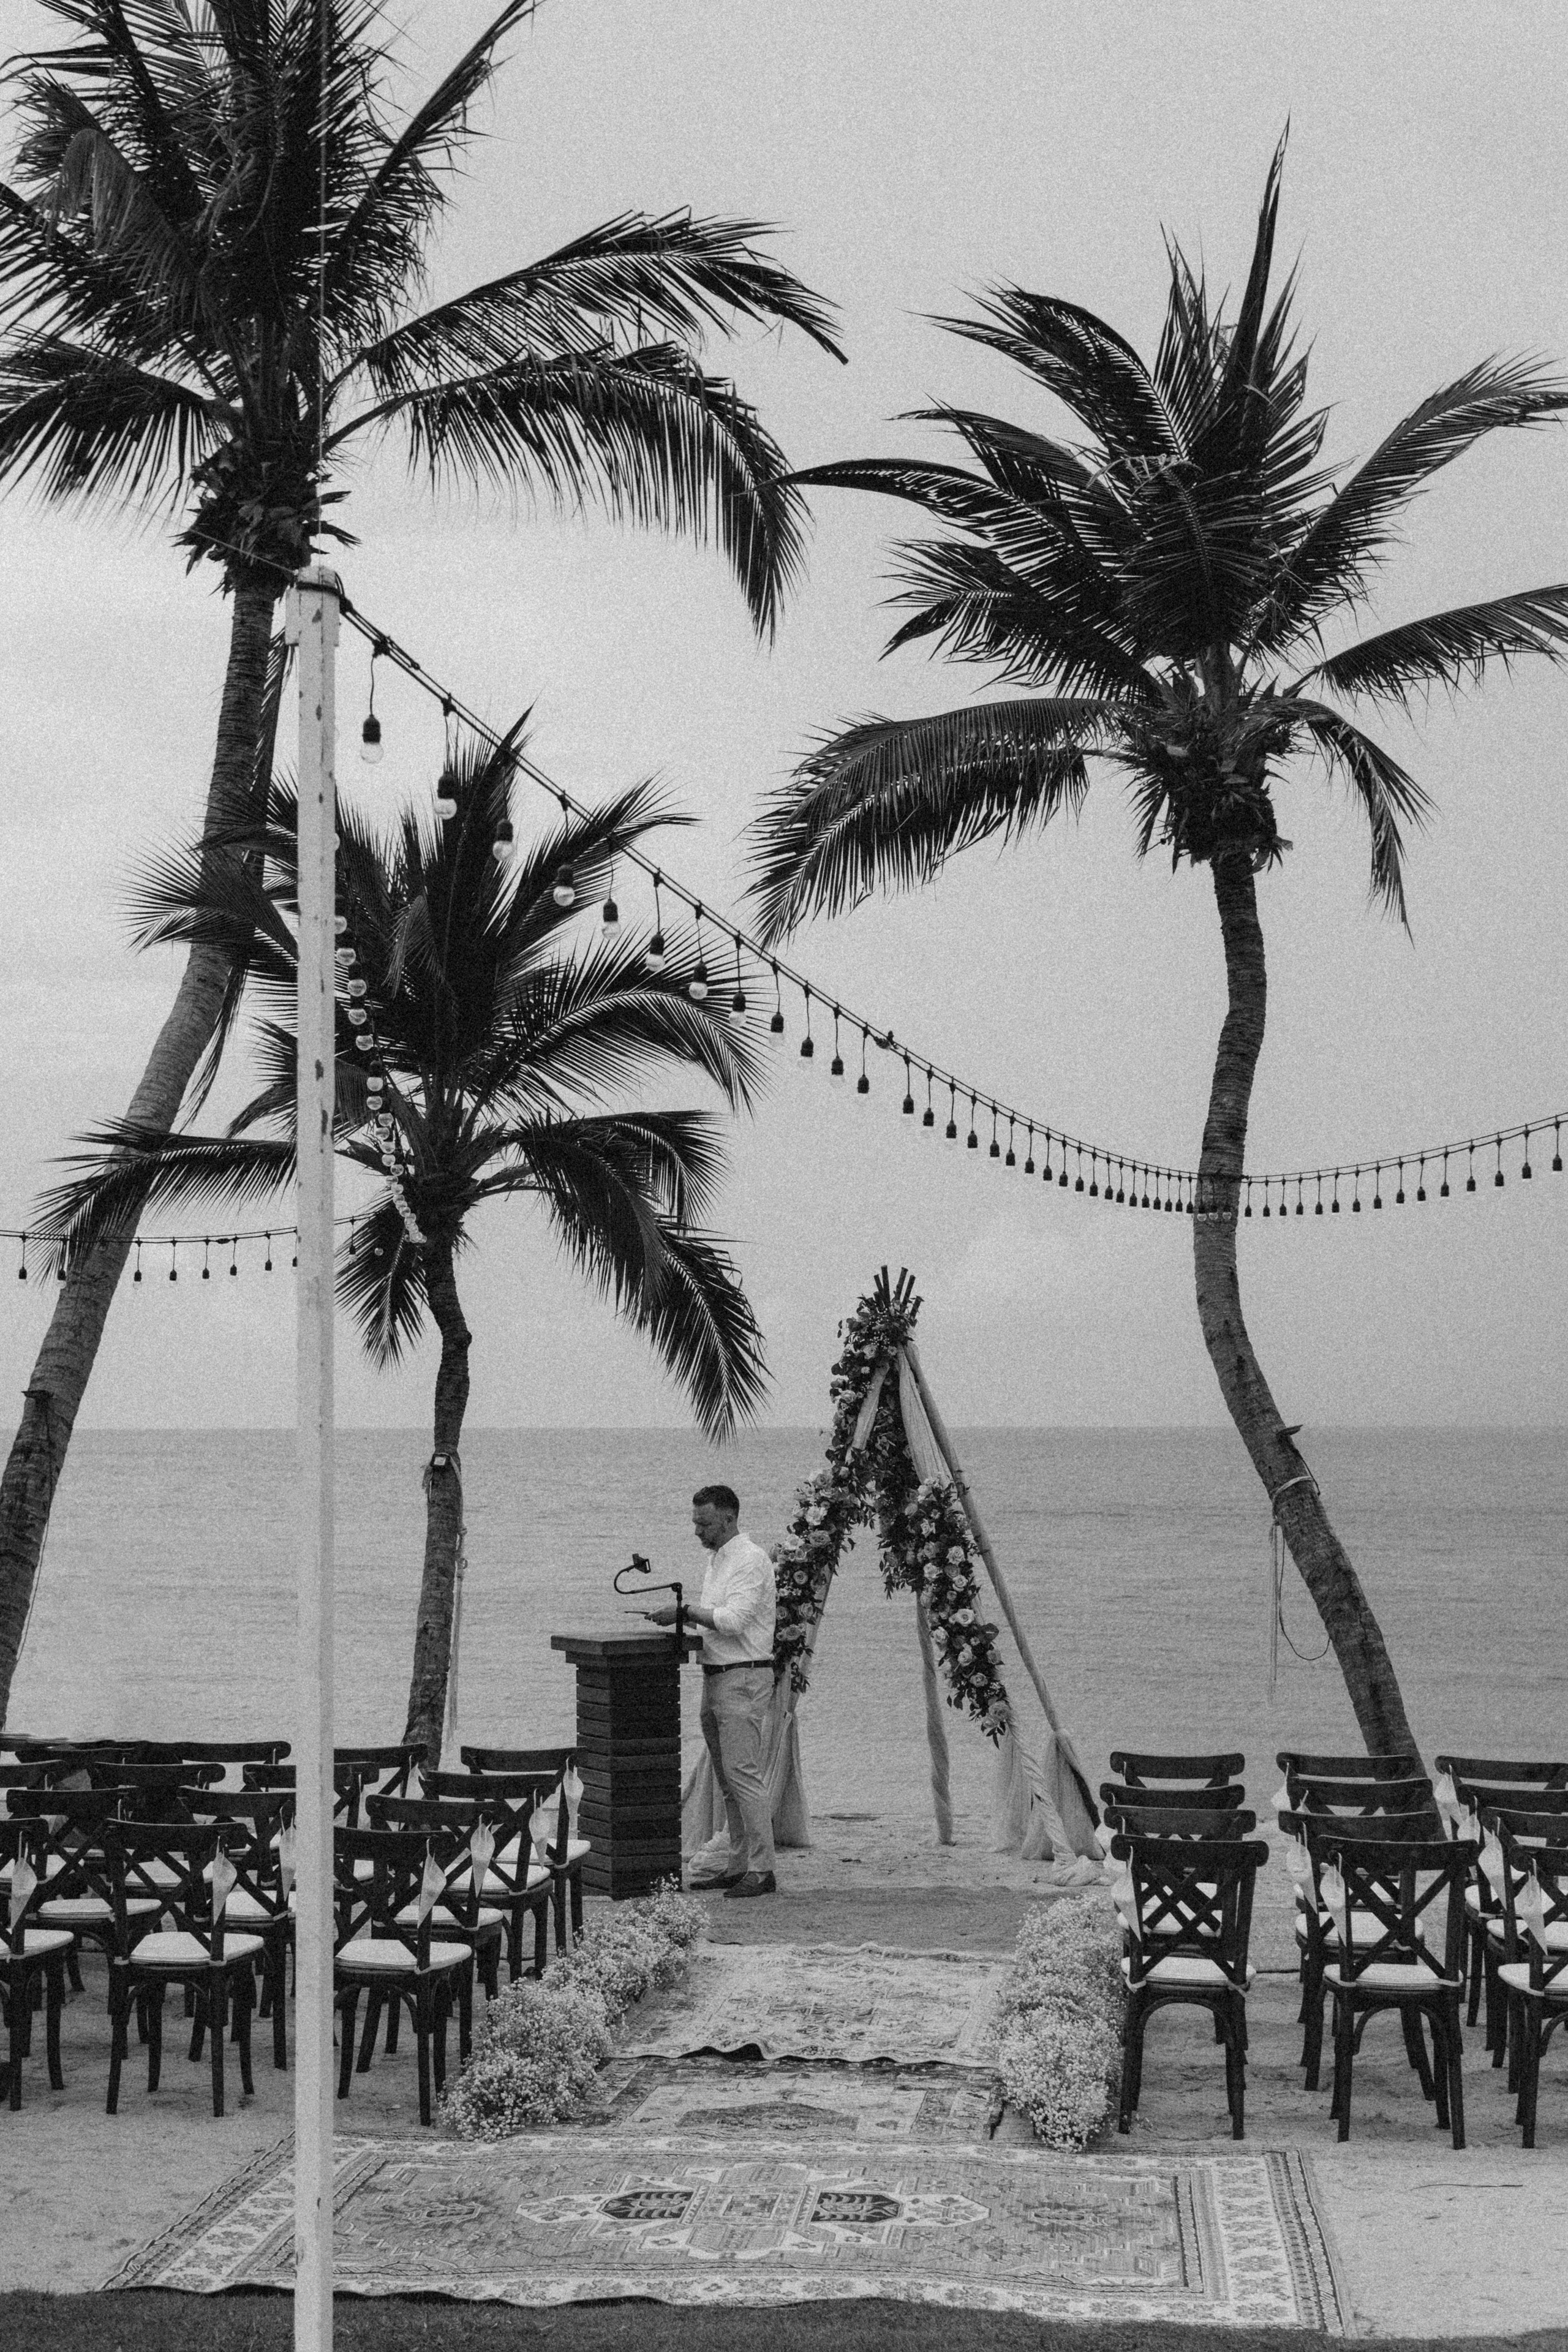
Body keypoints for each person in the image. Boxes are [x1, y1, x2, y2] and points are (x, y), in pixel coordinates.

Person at [647, 1483, 777, 1898]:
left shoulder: (750, 1560)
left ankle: (763, 1868)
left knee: (744, 1776)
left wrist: (685, 1612)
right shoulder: (718, 1561)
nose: (697, 1531)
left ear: (728, 1517)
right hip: (717, 1674)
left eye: (703, 1523)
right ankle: (739, 1864)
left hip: (743, 1676)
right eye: (695, 1523)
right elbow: (716, 1620)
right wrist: (688, 1623)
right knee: (728, 1781)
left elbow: (735, 1620)